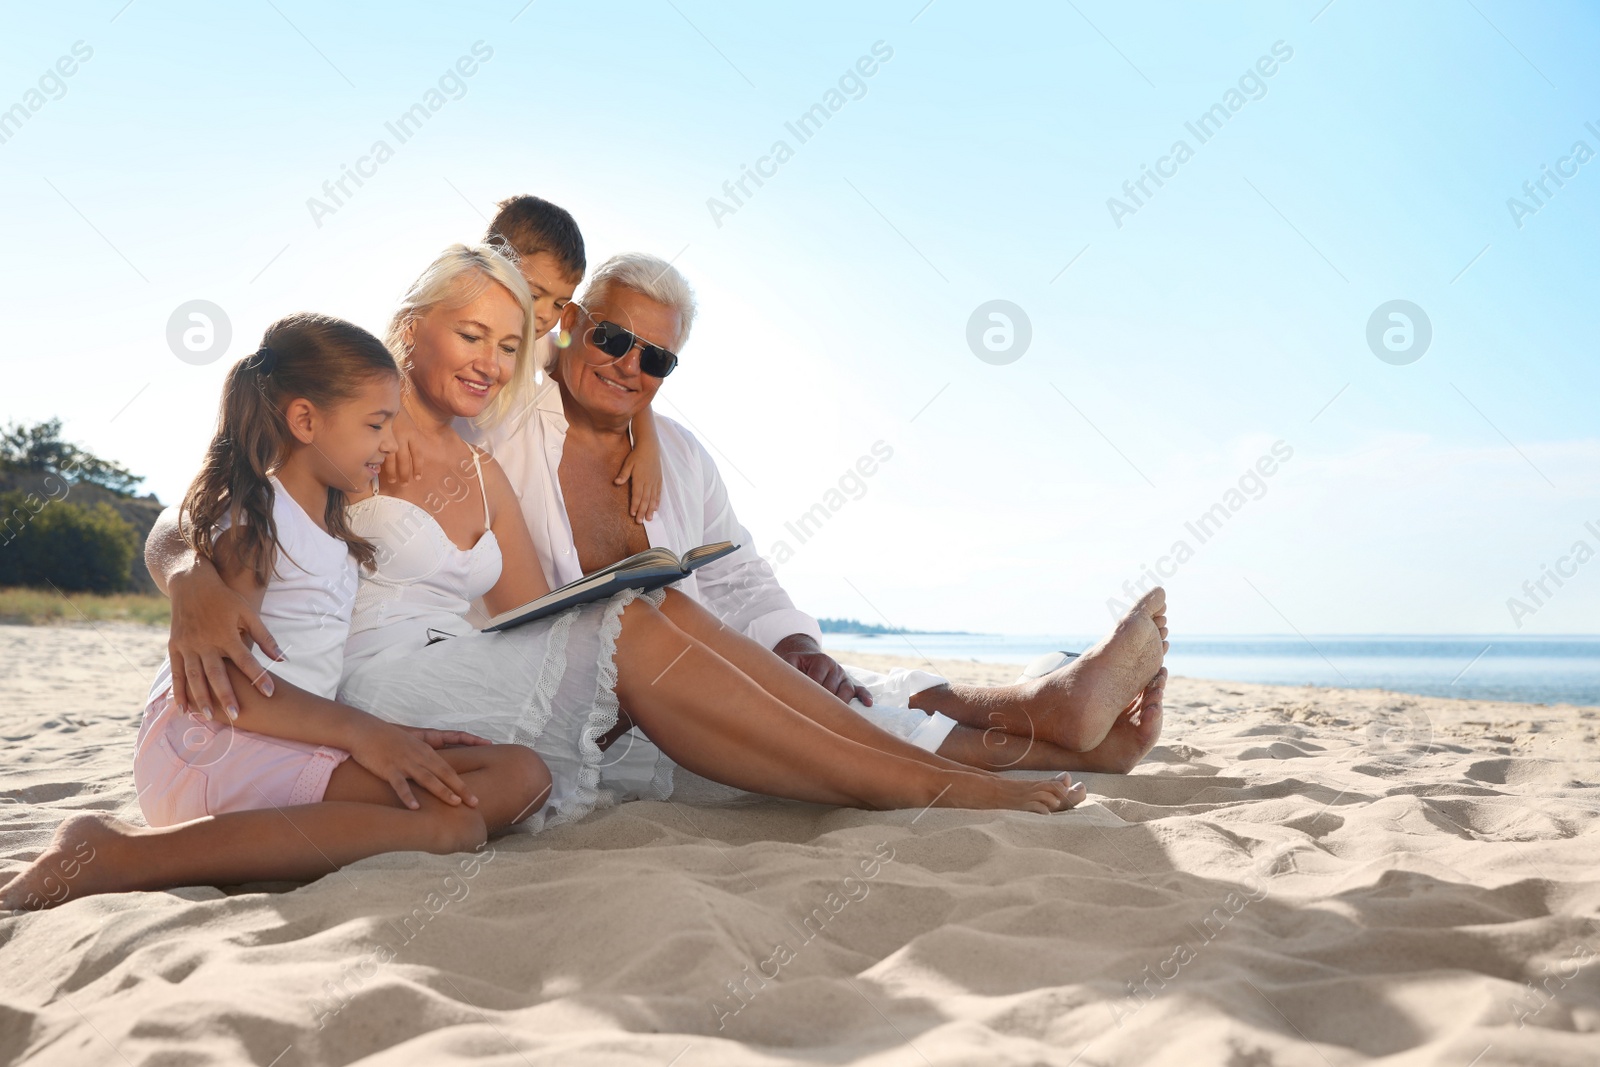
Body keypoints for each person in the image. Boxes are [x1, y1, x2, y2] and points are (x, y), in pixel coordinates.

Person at [150, 243, 1121, 834]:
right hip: (368, 685)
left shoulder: (482, 453)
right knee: (639, 619)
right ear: (410, 325)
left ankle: (929, 763)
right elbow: (211, 494)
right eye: (468, 336)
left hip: (455, 666)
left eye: (502, 342)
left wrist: (640, 431)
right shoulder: (360, 415)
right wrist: (188, 573)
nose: (490, 361)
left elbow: (531, 610)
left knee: (646, 602)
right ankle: (920, 782)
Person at [1, 314, 552, 911]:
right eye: (376, 424)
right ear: (306, 420)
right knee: (455, 827)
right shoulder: (260, 519)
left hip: (288, 737)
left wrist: (385, 735)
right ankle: (117, 851)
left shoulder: (331, 530)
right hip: (217, 743)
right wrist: (365, 735)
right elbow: (229, 681)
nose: (390, 444)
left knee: (522, 777)